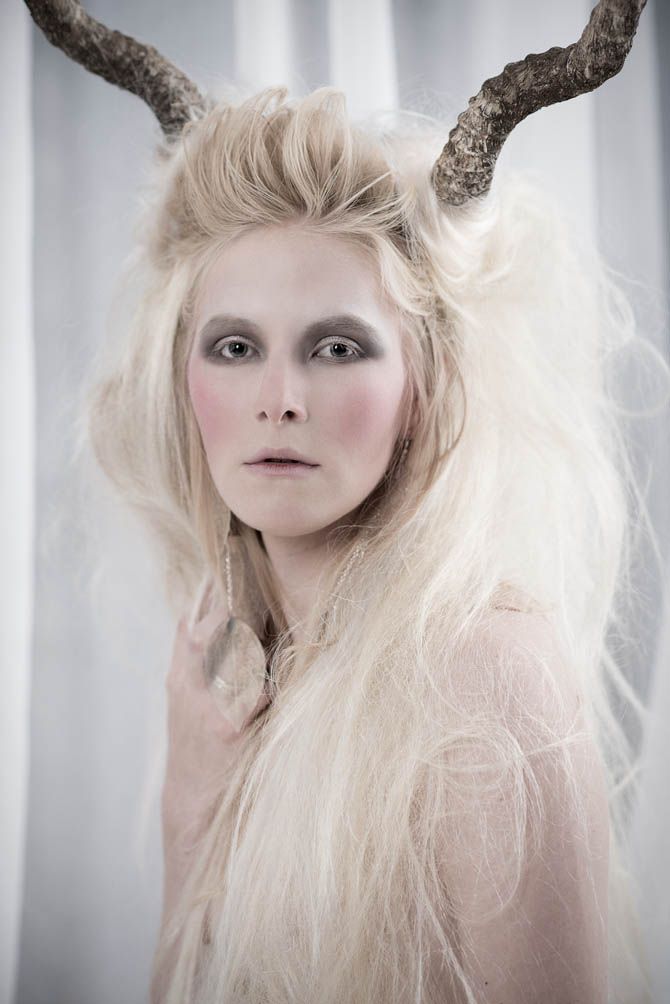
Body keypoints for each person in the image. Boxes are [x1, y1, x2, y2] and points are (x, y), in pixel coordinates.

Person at [25, 2, 660, 1001]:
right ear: (182, 378)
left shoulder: (487, 671)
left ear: (422, 388)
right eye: (236, 346)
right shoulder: (230, 664)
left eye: (336, 345)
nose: (279, 396)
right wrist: (191, 810)